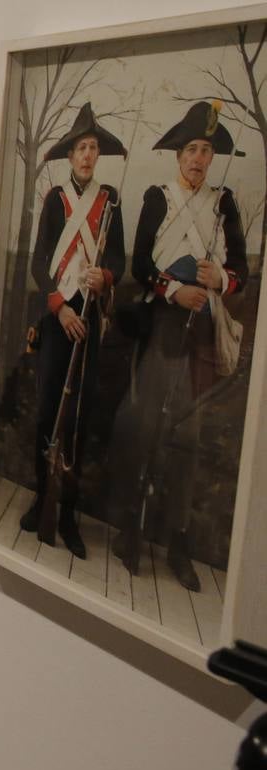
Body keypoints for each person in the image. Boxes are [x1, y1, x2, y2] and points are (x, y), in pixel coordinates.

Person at [102, 100, 247, 591]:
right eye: (191, 149)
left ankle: (178, 543)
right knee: (144, 425)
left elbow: (241, 274)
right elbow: (140, 261)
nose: (198, 159)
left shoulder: (224, 203)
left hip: (202, 332)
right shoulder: (158, 198)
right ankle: (130, 531)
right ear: (177, 155)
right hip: (162, 324)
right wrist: (172, 290)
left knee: (187, 436)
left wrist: (219, 280)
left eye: (206, 150)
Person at [23, 103, 127, 560]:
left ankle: (68, 513)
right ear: (70, 156)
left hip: (89, 322)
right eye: (82, 147)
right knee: (48, 412)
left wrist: (105, 277)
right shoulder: (55, 199)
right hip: (58, 320)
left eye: (93, 148)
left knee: (80, 419)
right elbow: (38, 262)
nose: (87, 155)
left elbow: (118, 261)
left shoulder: (111, 202)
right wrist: (59, 307)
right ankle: (40, 497)